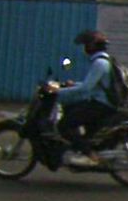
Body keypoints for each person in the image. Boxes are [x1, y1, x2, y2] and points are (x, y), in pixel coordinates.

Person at [49, 30, 117, 167]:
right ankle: (79, 146)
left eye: (86, 44)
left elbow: (86, 89)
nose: (84, 48)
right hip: (101, 102)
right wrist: (74, 84)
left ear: (92, 46)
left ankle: (90, 155)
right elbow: (95, 85)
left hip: (101, 105)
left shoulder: (99, 63)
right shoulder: (105, 61)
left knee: (63, 125)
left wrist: (59, 92)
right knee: (70, 109)